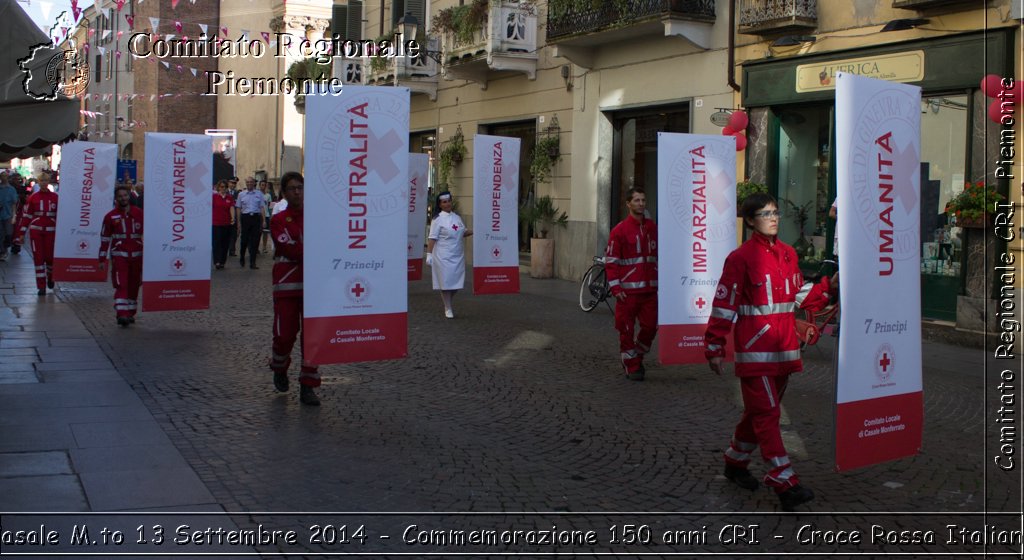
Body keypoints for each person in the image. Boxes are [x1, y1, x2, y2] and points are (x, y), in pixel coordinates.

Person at [703, 192, 832, 512]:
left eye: (775, 212)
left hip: (785, 349)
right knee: (768, 414)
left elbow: (800, 294)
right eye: (764, 214)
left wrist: (831, 286)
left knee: (758, 412)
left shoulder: (788, 254)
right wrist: (714, 345)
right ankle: (783, 479)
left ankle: (735, 462)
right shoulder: (740, 258)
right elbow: (724, 303)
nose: (773, 218)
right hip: (755, 351)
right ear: (749, 221)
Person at [269, 171, 321, 406]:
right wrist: (312, 248)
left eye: (300, 187)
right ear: (284, 192)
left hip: (314, 286)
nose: (297, 192)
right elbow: (288, 249)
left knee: (312, 338)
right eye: (292, 188)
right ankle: (279, 367)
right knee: (284, 335)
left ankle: (308, 386)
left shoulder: (317, 217)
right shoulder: (278, 220)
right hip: (287, 286)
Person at [604, 187, 658, 381]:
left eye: (643, 200)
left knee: (650, 327)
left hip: (650, 291)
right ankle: (631, 365)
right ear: (628, 204)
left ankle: (637, 355)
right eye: (636, 200)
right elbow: (612, 262)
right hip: (627, 293)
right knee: (625, 330)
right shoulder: (619, 231)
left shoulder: (653, 228)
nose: (641, 204)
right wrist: (616, 288)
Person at [98, 186, 144, 327]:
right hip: (119, 256)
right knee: (121, 283)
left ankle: (130, 313)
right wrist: (102, 258)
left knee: (134, 284)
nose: (123, 198)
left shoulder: (139, 213)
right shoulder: (110, 216)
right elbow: (105, 238)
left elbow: (150, 232)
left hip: (137, 255)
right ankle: (121, 314)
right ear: (116, 198)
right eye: (120, 196)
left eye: (125, 195)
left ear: (129, 196)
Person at [425, 191, 473, 319]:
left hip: (457, 255)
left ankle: (448, 302)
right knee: (446, 283)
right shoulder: (437, 220)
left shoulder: (456, 217)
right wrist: (429, 254)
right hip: (443, 255)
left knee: (456, 284)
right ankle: (448, 307)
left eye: (449, 201)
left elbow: (462, 232)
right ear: (440, 204)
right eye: (444, 202)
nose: (447, 204)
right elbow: (432, 238)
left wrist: (475, 230)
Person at [13, 173, 59, 295]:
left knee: (50, 258)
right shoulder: (33, 197)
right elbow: (26, 216)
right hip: (36, 232)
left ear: (48, 182)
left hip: (51, 231)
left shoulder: (56, 197)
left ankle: (50, 277)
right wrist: (21, 233)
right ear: (38, 182)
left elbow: (61, 216)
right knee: (39, 259)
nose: (44, 182)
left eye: (46, 180)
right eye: (42, 180)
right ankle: (41, 286)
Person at [235, 176, 265, 269]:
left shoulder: (259, 194)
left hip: (256, 218)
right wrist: (239, 222)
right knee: (244, 240)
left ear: (254, 183)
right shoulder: (241, 194)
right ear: (246, 183)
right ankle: (242, 257)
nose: (249, 184)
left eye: (251, 182)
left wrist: (263, 221)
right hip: (245, 218)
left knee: (255, 241)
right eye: (247, 182)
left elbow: (262, 208)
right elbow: (238, 208)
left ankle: (253, 262)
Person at [211, 180, 236, 270]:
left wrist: (233, 218)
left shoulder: (229, 197)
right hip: (216, 223)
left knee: (225, 243)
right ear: (218, 187)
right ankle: (217, 261)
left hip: (226, 223)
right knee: (216, 243)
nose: (223, 188)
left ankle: (222, 261)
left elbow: (232, 208)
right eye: (221, 187)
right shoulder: (214, 197)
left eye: (224, 187)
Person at [0, 172, 18, 261]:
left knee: (8, 233)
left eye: (5, 176)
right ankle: (3, 251)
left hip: (8, 215)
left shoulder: (11, 189)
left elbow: (14, 204)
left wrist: (14, 216)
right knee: (1, 234)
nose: (3, 178)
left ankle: (5, 248)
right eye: (2, 176)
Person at [227, 177, 239, 256]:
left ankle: (232, 250)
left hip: (235, 215)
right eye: (231, 183)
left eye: (234, 183)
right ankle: (226, 248)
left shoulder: (238, 193)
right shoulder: (224, 191)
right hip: (226, 215)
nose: (233, 185)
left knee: (234, 234)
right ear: (228, 183)